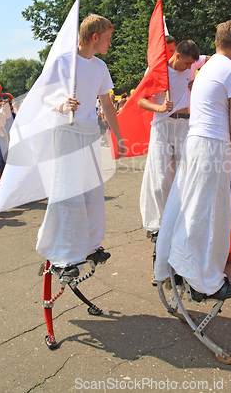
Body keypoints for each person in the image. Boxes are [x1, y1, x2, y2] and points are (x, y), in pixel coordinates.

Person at [155, 20, 231, 302]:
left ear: (216, 42)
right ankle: (203, 280)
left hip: (194, 141)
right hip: (214, 144)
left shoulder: (204, 70)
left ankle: (183, 268)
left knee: (186, 206)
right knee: (210, 213)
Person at [36, 14, 126, 279]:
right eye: (108, 38)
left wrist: (118, 137)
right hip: (66, 132)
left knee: (93, 191)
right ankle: (64, 254)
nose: (111, 43)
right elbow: (43, 95)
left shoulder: (100, 67)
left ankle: (90, 245)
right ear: (94, 37)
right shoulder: (63, 61)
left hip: (89, 134)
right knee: (69, 193)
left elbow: (107, 104)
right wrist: (62, 105)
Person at [139, 40, 200, 235]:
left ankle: (179, 220)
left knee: (183, 175)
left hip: (184, 125)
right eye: (188, 63)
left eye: (192, 65)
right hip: (162, 126)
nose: (190, 68)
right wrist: (159, 107)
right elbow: (140, 100)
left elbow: (215, 60)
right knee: (161, 177)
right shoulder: (158, 71)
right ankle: (160, 223)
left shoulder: (191, 69)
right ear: (178, 56)